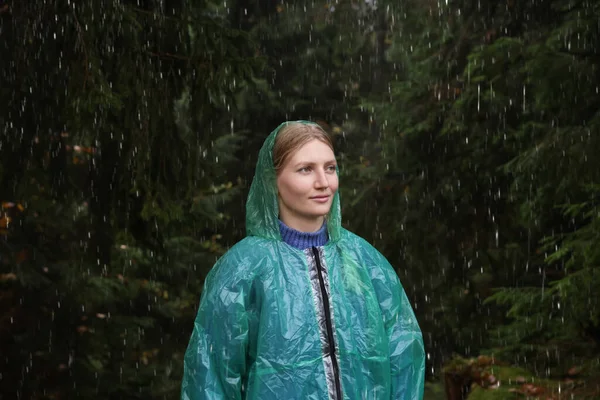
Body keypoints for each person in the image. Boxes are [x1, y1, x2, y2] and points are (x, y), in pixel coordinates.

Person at [181, 121, 425, 400]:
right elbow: (211, 378)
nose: (323, 182)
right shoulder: (241, 270)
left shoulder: (367, 263)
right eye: (305, 169)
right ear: (272, 180)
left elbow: (405, 356)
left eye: (330, 168)